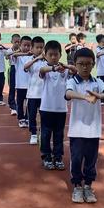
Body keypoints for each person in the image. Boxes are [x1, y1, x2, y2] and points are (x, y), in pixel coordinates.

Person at [66, 48, 104, 204]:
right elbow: (68, 94)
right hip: (77, 130)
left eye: (88, 64)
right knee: (77, 159)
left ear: (93, 64)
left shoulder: (97, 82)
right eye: (81, 64)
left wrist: (99, 95)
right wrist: (85, 97)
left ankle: (88, 186)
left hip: (93, 130)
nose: (84, 67)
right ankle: (77, 186)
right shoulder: (72, 81)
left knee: (91, 160)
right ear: (75, 64)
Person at [39, 40, 76, 170]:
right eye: (50, 54)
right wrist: (54, 67)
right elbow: (43, 70)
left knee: (59, 134)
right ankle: (46, 157)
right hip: (46, 108)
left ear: (60, 55)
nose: (53, 57)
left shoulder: (64, 71)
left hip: (61, 109)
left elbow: (75, 70)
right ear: (45, 55)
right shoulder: (45, 68)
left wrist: (65, 66)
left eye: (56, 54)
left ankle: (58, 157)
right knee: (45, 133)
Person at [24, 36, 46, 145]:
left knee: (44, 115)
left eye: (42, 47)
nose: (40, 50)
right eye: (37, 47)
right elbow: (25, 67)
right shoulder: (30, 59)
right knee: (31, 115)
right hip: (32, 94)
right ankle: (33, 134)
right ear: (32, 48)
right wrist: (36, 59)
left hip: (44, 94)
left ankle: (42, 133)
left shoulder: (47, 60)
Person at [10, 35, 32, 128]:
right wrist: (26, 54)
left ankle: (27, 118)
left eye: (28, 46)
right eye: (24, 45)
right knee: (20, 102)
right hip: (20, 85)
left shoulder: (32, 57)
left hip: (30, 85)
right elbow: (14, 55)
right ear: (20, 45)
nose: (26, 48)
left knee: (29, 103)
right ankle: (21, 118)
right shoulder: (18, 57)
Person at [6, 34, 21, 115]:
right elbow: (6, 56)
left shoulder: (22, 50)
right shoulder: (9, 50)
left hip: (21, 70)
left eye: (19, 42)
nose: (17, 43)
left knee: (20, 88)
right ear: (11, 42)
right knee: (12, 87)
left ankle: (19, 105)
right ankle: (12, 106)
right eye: (15, 42)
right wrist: (15, 52)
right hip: (13, 68)